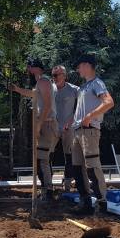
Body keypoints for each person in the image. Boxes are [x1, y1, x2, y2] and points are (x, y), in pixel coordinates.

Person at [9, 58, 58, 203]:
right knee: (41, 159)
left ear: (35, 68)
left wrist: (39, 124)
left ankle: (48, 192)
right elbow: (33, 94)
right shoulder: (40, 83)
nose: (27, 71)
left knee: (42, 160)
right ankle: (46, 191)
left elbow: (48, 105)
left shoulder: (43, 81)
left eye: (29, 68)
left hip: (47, 124)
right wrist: (17, 89)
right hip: (45, 123)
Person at [71, 54, 114, 215]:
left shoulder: (97, 83)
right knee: (77, 168)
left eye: (79, 66)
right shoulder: (83, 87)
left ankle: (101, 203)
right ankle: (85, 201)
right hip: (77, 132)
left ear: (87, 65)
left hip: (89, 131)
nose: (77, 69)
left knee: (92, 167)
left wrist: (90, 116)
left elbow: (109, 102)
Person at [51, 64, 79, 192]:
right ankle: (47, 185)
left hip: (69, 128)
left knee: (69, 156)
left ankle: (67, 184)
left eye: (57, 75)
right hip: (52, 128)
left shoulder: (74, 89)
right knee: (48, 155)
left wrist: (73, 118)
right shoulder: (50, 89)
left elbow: (84, 104)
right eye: (53, 75)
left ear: (64, 75)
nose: (54, 77)